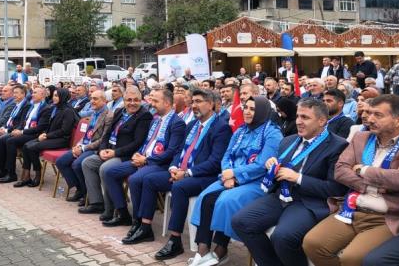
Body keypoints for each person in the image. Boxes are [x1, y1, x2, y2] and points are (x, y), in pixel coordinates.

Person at [232, 98, 349, 266]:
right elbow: (278, 176)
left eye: (305, 117)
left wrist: (298, 178)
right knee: (241, 221)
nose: (299, 122)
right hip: (281, 196)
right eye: (298, 116)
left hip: (309, 202)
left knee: (283, 237)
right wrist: (271, 168)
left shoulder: (338, 146)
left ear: (322, 120)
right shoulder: (289, 140)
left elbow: (335, 189)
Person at [123, 89, 231, 258]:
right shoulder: (192, 125)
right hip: (181, 171)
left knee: (180, 187)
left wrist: (187, 173)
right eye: (193, 102)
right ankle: (145, 227)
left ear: (211, 105)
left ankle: (175, 240)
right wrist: (174, 168)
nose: (194, 105)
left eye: (198, 102)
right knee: (149, 180)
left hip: (204, 176)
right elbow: (178, 152)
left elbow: (215, 162)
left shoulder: (221, 128)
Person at [303, 94, 399, 266]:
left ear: (398, 120)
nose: (369, 119)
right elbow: (340, 170)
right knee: (312, 243)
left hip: (385, 217)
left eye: (378, 115)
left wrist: (363, 170)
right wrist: (373, 186)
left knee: (351, 258)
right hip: (350, 210)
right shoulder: (361, 137)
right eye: (369, 113)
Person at [187, 96, 282, 266]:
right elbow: (226, 155)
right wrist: (227, 174)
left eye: (252, 109)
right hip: (231, 176)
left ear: (262, 111)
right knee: (205, 197)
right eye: (245, 107)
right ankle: (202, 251)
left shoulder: (273, 133)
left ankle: (221, 250)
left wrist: (235, 175)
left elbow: (262, 165)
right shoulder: (240, 130)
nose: (247, 111)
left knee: (226, 201)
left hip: (257, 182)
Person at [101, 89, 186, 227]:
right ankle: (123, 213)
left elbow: (171, 151)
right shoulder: (156, 120)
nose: (151, 104)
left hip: (159, 164)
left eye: (155, 101)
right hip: (144, 160)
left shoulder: (177, 123)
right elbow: (147, 143)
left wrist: (146, 160)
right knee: (110, 173)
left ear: (167, 103)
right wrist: (138, 153)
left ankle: (138, 221)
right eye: (151, 100)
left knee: (135, 179)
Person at [79, 87, 152, 218]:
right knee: (87, 163)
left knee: (105, 168)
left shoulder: (144, 116)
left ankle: (112, 209)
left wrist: (115, 153)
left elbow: (138, 142)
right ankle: (97, 203)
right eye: (129, 100)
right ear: (123, 101)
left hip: (125, 155)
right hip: (109, 151)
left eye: (136, 100)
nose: (132, 103)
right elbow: (106, 134)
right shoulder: (119, 111)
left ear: (141, 101)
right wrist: (102, 150)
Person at [56, 89, 112, 203]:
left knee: (77, 164)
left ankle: (88, 193)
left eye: (95, 99)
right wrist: (78, 145)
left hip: (94, 148)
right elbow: (87, 134)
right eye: (91, 98)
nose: (92, 101)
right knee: (61, 161)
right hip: (84, 145)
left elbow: (103, 139)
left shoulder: (109, 116)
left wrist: (83, 148)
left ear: (104, 101)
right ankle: (80, 189)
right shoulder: (94, 113)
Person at [16, 88, 77, 187]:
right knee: (26, 146)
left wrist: (46, 135)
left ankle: (38, 175)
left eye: (57, 96)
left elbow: (64, 131)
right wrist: (45, 134)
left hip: (62, 140)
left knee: (32, 148)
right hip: (51, 136)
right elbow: (50, 126)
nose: (54, 98)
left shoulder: (68, 111)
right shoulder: (55, 108)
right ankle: (26, 176)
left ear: (63, 97)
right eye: (54, 95)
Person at [0, 86, 48, 183]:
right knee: (2, 140)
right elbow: (24, 122)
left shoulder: (45, 108)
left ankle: (11, 174)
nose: (32, 94)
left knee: (10, 141)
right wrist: (17, 130)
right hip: (25, 131)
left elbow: (40, 127)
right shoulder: (32, 105)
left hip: (35, 134)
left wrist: (22, 132)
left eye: (35, 93)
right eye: (32, 92)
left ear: (42, 95)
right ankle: (3, 169)